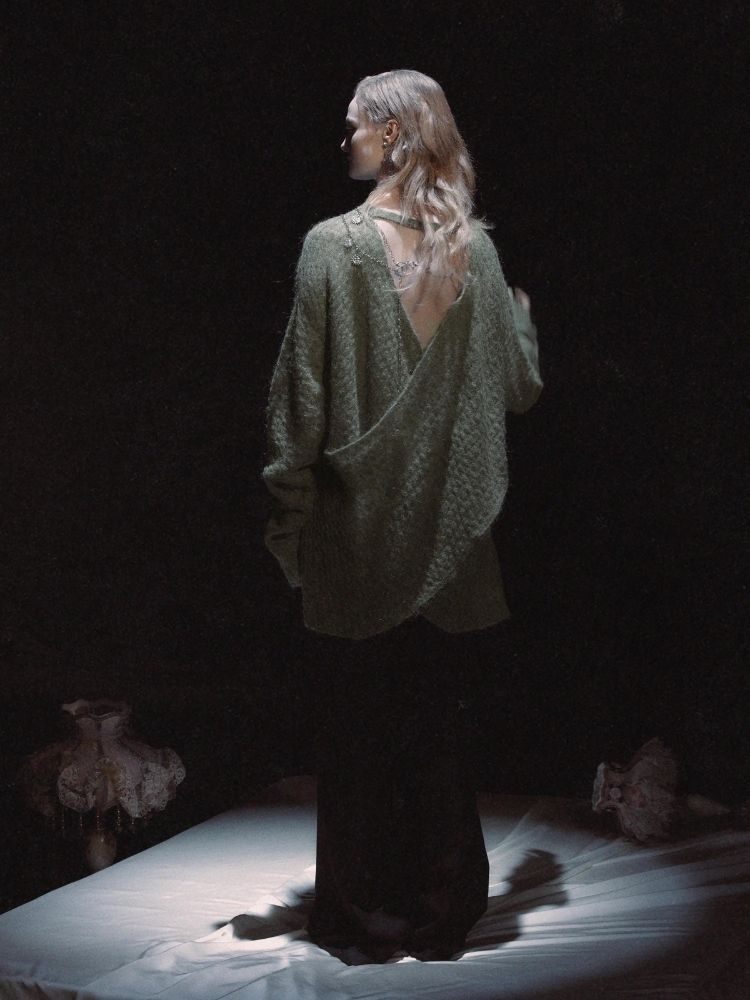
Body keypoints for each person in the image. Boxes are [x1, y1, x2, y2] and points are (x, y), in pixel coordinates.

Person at [262, 69, 542, 964]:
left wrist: (286, 516)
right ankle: (441, 909)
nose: (342, 138)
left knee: (356, 741)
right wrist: (520, 321)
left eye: (353, 124)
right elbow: (519, 389)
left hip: (359, 541)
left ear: (391, 134)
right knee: (439, 739)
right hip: (453, 546)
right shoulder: (477, 254)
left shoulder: (331, 248)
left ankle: (360, 915)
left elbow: (300, 402)